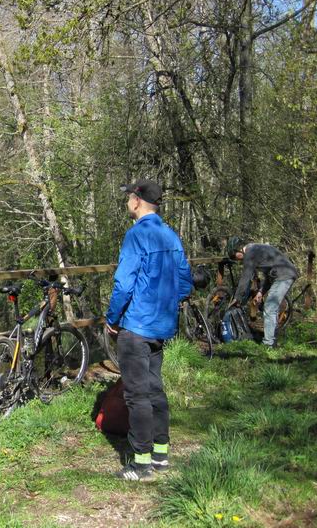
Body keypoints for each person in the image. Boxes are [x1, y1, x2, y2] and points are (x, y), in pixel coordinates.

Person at [104, 179, 193, 481]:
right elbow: (184, 282)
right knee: (155, 388)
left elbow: (124, 283)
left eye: (129, 196)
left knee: (137, 394)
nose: (127, 200)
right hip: (161, 327)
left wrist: (112, 318)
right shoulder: (170, 235)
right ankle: (161, 456)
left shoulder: (136, 235)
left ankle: (141, 464)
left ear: (138, 201)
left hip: (136, 326)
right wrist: (166, 305)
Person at [226, 236, 299, 347]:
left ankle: (268, 344)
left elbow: (245, 277)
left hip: (284, 275)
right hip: (282, 274)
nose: (236, 260)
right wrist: (260, 292)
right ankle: (271, 340)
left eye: (234, 256)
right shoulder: (256, 250)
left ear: (238, 250)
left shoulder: (250, 254)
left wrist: (237, 298)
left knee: (270, 307)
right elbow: (270, 276)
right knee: (271, 307)